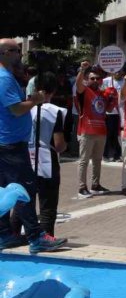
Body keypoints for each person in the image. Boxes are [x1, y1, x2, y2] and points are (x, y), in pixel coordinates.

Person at [0, 38, 66, 253]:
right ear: (3, 54)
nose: (19, 53)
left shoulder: (8, 77)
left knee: (4, 192)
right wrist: (36, 100)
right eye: (15, 50)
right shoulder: (4, 78)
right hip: (11, 144)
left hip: (5, 143)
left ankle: (4, 235)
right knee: (24, 191)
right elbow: (16, 109)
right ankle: (36, 237)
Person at [10, 72, 68, 237]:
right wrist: (64, 146)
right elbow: (58, 145)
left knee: (22, 200)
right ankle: (46, 236)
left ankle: (13, 234)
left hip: (25, 156)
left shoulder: (24, 108)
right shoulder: (56, 111)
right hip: (46, 159)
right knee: (47, 203)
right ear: (54, 91)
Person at [74, 61, 110, 197]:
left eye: (97, 78)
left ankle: (96, 184)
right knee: (84, 160)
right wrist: (82, 70)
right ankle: (82, 187)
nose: (95, 80)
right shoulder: (84, 91)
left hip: (101, 131)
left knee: (97, 160)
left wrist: (112, 98)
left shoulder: (102, 93)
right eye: (92, 78)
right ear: (87, 80)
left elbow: (109, 109)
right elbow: (78, 85)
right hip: (87, 131)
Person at [101, 69, 124, 162]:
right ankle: (105, 154)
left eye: (120, 71)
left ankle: (117, 155)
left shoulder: (124, 82)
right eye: (116, 71)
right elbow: (101, 93)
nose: (118, 72)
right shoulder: (106, 81)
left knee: (117, 135)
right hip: (108, 112)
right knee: (107, 134)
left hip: (119, 112)